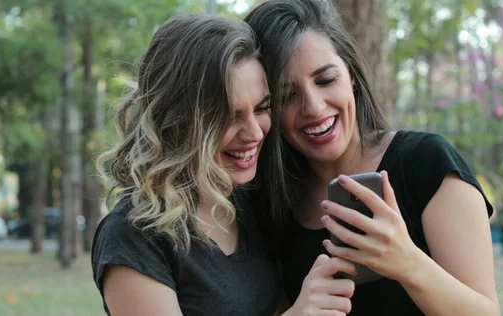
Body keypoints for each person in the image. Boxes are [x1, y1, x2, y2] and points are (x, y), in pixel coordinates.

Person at [245, 1, 500, 315]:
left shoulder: (427, 164)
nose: (313, 107)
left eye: (325, 80)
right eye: (287, 96)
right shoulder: (272, 203)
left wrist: (407, 262)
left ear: (351, 75)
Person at [92, 13, 356, 316]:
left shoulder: (247, 201)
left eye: (262, 108)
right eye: (229, 115)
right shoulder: (134, 234)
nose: (255, 133)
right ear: (177, 119)